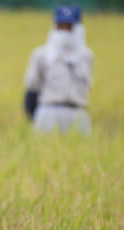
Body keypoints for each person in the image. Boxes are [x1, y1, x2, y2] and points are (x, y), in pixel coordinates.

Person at [23, 5, 94, 135]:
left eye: (69, 26)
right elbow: (32, 89)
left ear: (78, 28)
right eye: (61, 26)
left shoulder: (86, 57)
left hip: (78, 113)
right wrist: (31, 115)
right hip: (48, 111)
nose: (64, 31)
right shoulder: (42, 54)